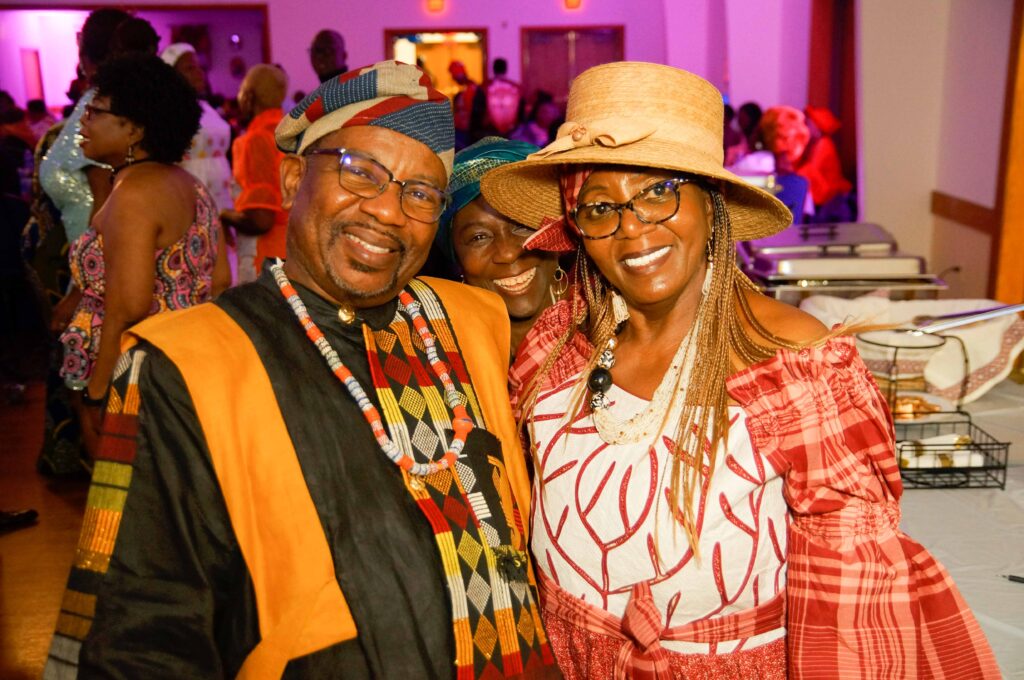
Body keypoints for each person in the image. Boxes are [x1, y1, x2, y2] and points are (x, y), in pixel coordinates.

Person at [480, 61, 999, 678]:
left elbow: (852, 583)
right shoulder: (563, 339)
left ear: (713, 204)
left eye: (658, 192)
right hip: (563, 657)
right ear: (577, 225)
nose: (632, 229)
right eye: (599, 207)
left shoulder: (790, 361)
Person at [46, 60, 556, 679]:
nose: (389, 211)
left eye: (421, 193)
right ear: (291, 180)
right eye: (361, 171)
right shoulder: (183, 365)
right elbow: (141, 628)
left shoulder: (473, 318)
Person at [59, 54, 229, 456]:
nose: (82, 122)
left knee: (126, 485)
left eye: (95, 111)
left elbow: (129, 305)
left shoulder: (134, 194)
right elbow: (221, 279)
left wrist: (100, 390)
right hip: (186, 365)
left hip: (136, 375)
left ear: (134, 129)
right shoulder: (189, 184)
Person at [437, 137, 563, 358]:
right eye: (479, 237)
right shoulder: (444, 355)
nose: (508, 253)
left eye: (522, 225)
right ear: (456, 256)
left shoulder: (606, 321)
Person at [220, 64, 288, 282]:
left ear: (248, 97)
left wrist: (224, 215)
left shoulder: (256, 140)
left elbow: (261, 219)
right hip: (297, 253)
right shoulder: (292, 133)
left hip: (266, 258)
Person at [161, 43, 234, 215]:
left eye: (199, 67)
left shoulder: (206, 108)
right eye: (190, 68)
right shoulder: (167, 112)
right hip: (189, 193)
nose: (199, 72)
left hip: (221, 192)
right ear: (172, 75)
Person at [761, 105, 853, 222]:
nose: (806, 127)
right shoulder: (817, 144)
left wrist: (791, 172)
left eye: (809, 124)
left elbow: (811, 172)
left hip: (828, 196)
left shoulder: (824, 144)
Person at [479, 58, 523, 138]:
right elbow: (521, 109)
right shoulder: (516, 87)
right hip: (512, 129)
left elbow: (479, 109)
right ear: (506, 69)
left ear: (493, 69)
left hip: (490, 128)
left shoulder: (485, 86)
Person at [449, 60, 480, 150]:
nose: (453, 78)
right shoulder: (469, 88)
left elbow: (472, 111)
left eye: (453, 76)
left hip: (466, 131)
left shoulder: (470, 89)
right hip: (463, 130)